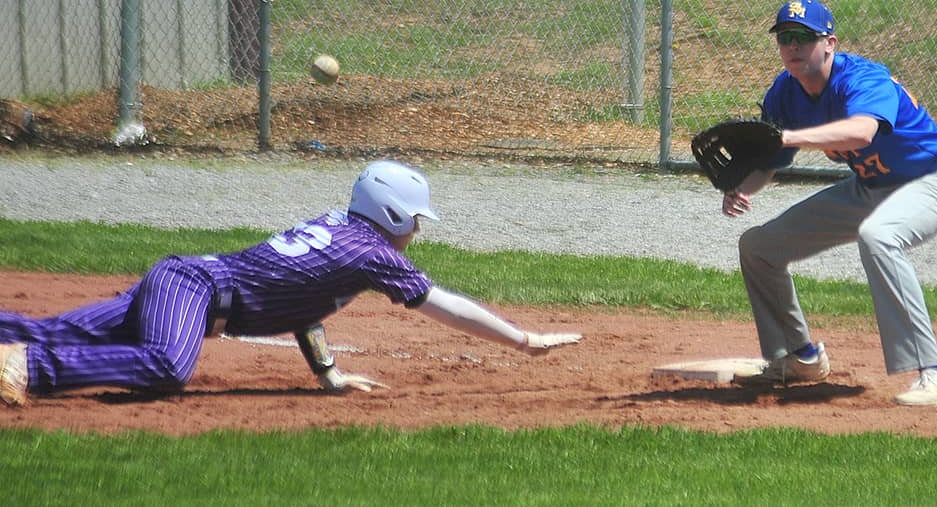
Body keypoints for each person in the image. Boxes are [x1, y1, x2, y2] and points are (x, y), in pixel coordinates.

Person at [0, 160, 581, 406]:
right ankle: (28, 371)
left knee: (57, 329)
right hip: (193, 290)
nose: (419, 231)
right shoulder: (374, 253)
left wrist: (328, 374)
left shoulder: (344, 232)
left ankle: (14, 347)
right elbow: (446, 307)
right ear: (396, 216)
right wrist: (523, 340)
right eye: (417, 219)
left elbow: (304, 302)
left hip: (185, 284)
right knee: (164, 368)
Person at [724, 0, 937, 407]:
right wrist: (744, 187)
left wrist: (788, 136)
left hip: (935, 178)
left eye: (804, 37)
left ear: (830, 43)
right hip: (870, 187)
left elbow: (860, 132)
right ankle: (799, 357)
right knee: (758, 246)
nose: (793, 46)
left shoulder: (862, 78)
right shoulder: (785, 93)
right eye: (785, 38)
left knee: (879, 236)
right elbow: (772, 160)